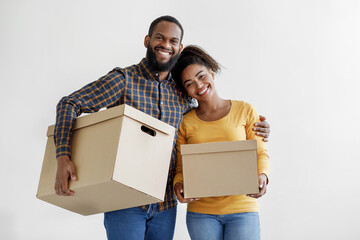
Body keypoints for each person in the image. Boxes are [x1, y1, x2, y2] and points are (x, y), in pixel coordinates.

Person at [53, 16, 270, 240]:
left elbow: (208, 128)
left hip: (165, 205)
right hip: (125, 201)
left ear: (179, 48)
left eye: (173, 41)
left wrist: (259, 129)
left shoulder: (182, 92)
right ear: (147, 40)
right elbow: (70, 103)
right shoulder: (123, 80)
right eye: (160, 38)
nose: (166, 45)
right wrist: (63, 156)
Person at [172, 45, 270, 240]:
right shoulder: (185, 122)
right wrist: (178, 185)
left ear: (212, 72)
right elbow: (181, 167)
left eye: (201, 76)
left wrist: (262, 175)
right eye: (189, 83)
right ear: (185, 90)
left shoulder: (245, 110)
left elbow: (259, 152)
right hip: (201, 212)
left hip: (243, 209)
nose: (199, 86)